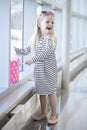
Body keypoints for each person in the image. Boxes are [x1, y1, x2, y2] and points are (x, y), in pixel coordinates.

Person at [15, 11, 58, 125]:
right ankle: (44, 112)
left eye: (52, 22)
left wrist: (32, 60)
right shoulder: (36, 38)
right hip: (39, 71)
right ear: (39, 24)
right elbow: (27, 49)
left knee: (51, 92)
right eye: (47, 21)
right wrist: (18, 51)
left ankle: (54, 113)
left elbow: (46, 53)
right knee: (42, 93)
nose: (50, 24)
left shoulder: (51, 39)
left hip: (49, 71)